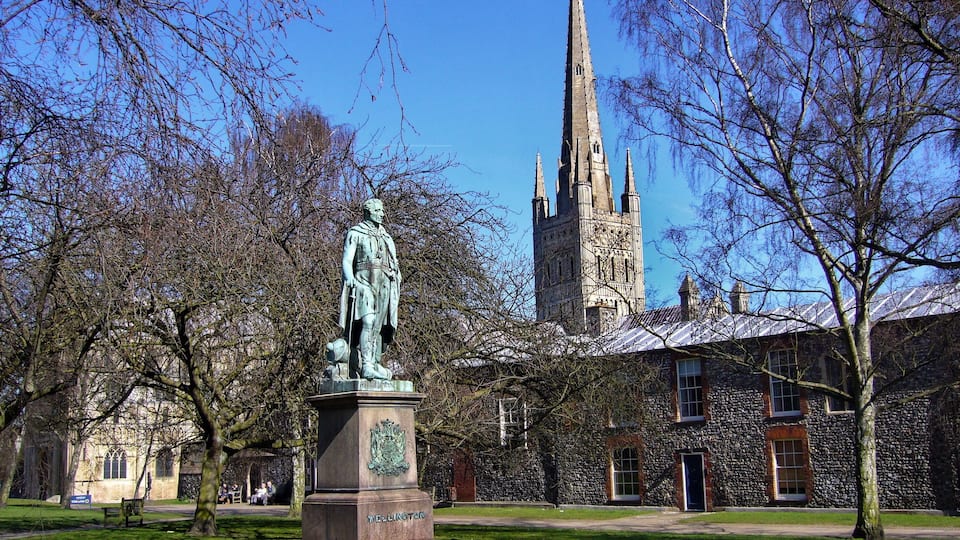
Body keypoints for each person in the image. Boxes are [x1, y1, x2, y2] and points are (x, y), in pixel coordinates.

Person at [339, 198, 401, 380]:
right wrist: (349, 278)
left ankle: (373, 362)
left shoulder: (387, 237)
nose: (382, 214)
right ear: (368, 212)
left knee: (378, 327)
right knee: (368, 321)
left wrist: (395, 275)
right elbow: (347, 260)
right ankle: (366, 366)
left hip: (384, 285)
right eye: (378, 210)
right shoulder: (356, 233)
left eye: (382, 210)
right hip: (363, 283)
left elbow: (394, 263)